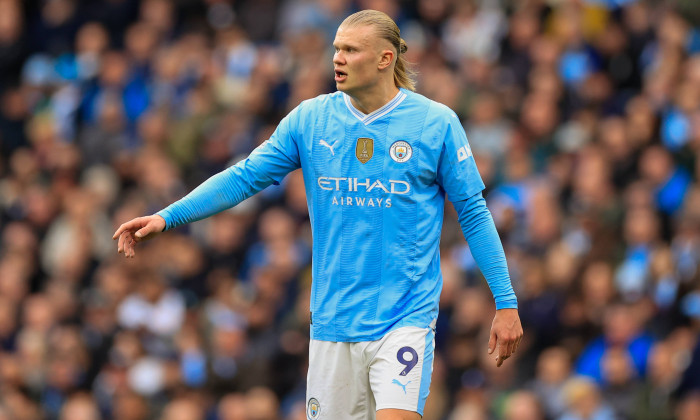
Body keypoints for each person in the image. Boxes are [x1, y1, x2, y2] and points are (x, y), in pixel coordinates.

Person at [113, 10, 522, 420]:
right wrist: (168, 217)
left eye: (350, 50)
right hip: (333, 322)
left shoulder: (435, 123)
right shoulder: (311, 120)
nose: (337, 59)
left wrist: (505, 303)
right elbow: (244, 177)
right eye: (336, 49)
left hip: (404, 318)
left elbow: (473, 212)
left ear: (384, 59)